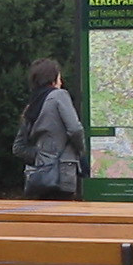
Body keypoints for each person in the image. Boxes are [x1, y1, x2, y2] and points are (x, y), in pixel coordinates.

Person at [13, 57, 84, 199]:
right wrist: (81, 151)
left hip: (39, 176)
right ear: (53, 79)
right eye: (59, 77)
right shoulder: (59, 95)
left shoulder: (31, 107)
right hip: (62, 173)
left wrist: (42, 155)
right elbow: (75, 129)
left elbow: (18, 148)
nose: (61, 82)